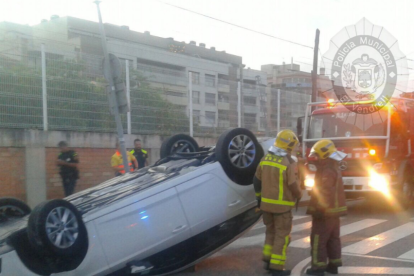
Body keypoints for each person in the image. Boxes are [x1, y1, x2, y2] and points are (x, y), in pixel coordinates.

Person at [254, 130, 302, 276]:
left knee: (270, 233)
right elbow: (293, 185)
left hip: (266, 206)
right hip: (282, 208)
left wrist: (259, 199)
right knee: (282, 236)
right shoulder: (286, 162)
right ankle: (276, 268)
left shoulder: (265, 158)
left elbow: (256, 180)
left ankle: (267, 261)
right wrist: (299, 195)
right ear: (289, 146)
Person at [305, 139, 347, 276]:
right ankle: (333, 265)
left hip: (326, 212)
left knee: (318, 239)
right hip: (334, 212)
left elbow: (325, 191)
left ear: (324, 154)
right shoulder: (333, 166)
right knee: (333, 239)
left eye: (317, 155)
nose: (315, 158)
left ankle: (318, 268)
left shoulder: (326, 169)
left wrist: (319, 209)